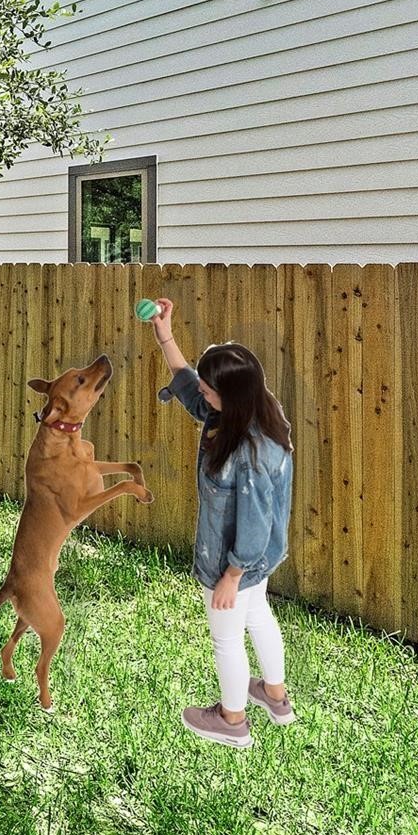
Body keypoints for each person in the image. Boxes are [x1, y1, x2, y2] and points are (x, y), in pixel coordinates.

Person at [146, 298, 296, 748]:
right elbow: (189, 384)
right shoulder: (241, 415)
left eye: (211, 393)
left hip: (237, 560)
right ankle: (275, 695)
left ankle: (232, 721)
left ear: (229, 396)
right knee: (258, 616)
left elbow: (252, 523)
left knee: (226, 639)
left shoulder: (247, 450)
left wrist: (231, 575)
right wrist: (165, 335)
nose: (203, 397)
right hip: (260, 562)